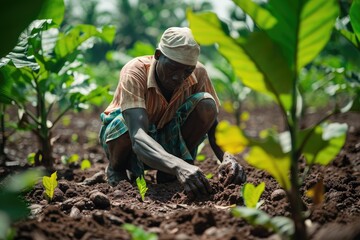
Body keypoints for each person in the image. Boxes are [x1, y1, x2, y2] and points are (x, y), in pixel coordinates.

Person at [99, 27, 246, 198]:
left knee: (207, 104)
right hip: (128, 142)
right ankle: (116, 169)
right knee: (123, 123)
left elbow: (213, 127)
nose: (179, 77)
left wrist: (228, 158)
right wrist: (179, 166)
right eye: (173, 69)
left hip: (168, 138)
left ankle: (168, 174)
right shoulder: (135, 71)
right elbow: (137, 137)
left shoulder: (199, 73)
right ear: (158, 55)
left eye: (187, 71)